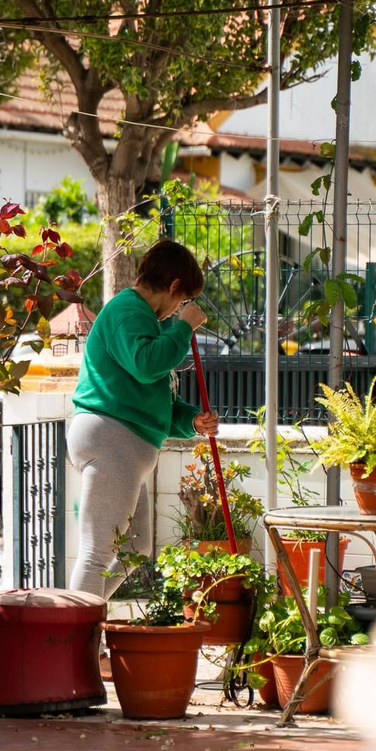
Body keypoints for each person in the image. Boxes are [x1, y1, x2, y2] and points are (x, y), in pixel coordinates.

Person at [67, 239, 219, 599]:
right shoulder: (129, 311)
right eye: (182, 301)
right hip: (112, 440)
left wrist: (191, 421)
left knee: (135, 548)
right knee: (97, 553)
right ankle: (76, 643)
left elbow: (152, 396)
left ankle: (82, 622)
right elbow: (148, 364)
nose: (179, 310)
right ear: (174, 286)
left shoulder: (141, 318)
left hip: (123, 444)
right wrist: (183, 327)